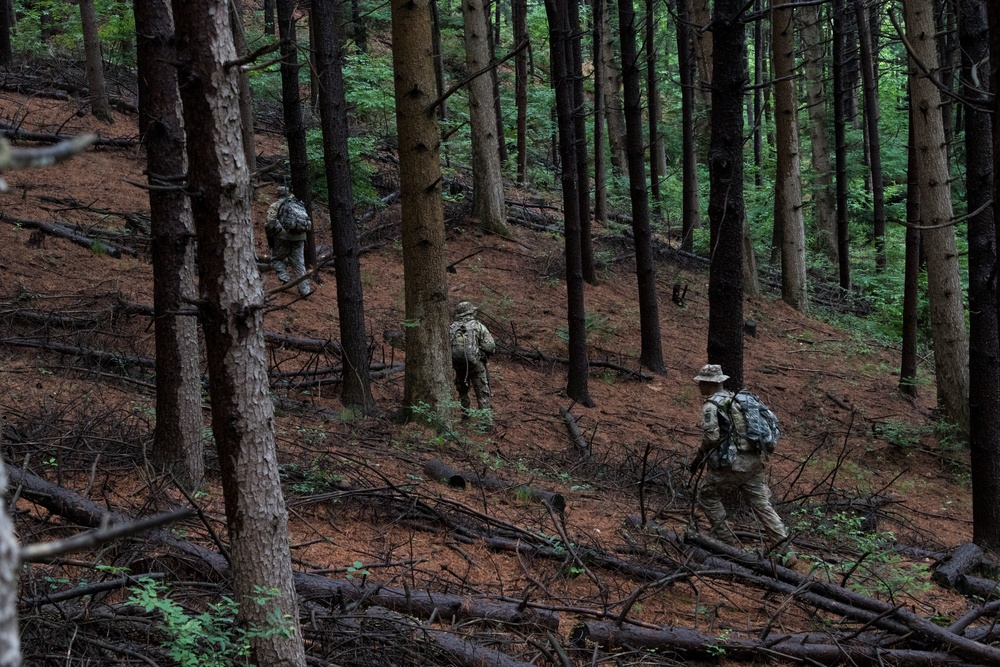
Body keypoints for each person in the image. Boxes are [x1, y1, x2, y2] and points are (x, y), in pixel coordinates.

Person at [689, 364, 793, 561]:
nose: (699, 386)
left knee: (707, 496)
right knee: (762, 504)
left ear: (707, 383)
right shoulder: (737, 400)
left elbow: (711, 437)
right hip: (753, 461)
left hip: (733, 464)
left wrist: (700, 454)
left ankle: (728, 545)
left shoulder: (712, 406)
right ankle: (786, 550)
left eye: (701, 382)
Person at [450, 301, 496, 417]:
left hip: (458, 365)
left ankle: (465, 416)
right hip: (477, 365)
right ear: (470, 312)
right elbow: (490, 346)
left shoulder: (451, 328)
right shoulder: (478, 326)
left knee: (463, 392)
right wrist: (480, 350)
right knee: (482, 393)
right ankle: (485, 422)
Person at [265, 186, 313, 296]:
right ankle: (305, 291)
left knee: (276, 259)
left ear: (278, 194)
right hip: (300, 237)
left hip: (283, 237)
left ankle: (284, 278)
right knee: (299, 264)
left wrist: (270, 237)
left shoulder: (275, 205)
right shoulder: (298, 204)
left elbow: (269, 224)